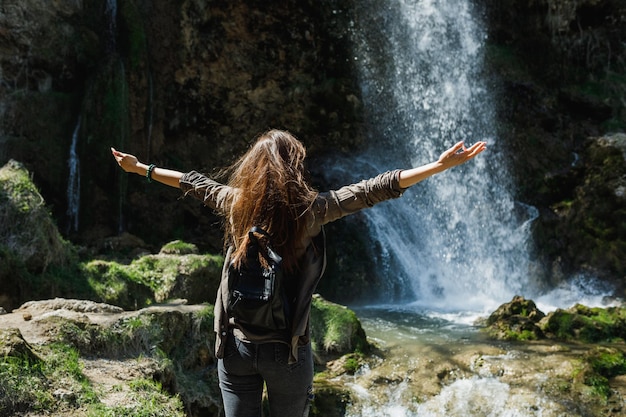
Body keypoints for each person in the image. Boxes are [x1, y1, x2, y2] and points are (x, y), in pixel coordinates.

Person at [111, 129, 486, 417]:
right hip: (288, 352)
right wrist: (439, 166)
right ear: (294, 168)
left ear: (251, 168)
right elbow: (375, 189)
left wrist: (140, 168)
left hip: (236, 345)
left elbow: (192, 183)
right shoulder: (312, 211)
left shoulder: (235, 204)